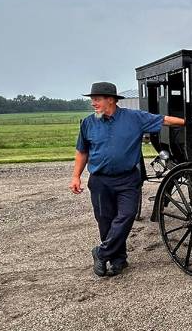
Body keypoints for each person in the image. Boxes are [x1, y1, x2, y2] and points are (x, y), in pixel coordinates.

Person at [69, 81, 184, 277]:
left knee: (127, 215)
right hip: (100, 180)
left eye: (96, 99)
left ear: (111, 100)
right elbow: (82, 152)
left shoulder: (134, 118)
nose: (92, 103)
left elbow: (164, 120)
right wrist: (75, 176)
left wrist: (190, 121)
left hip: (127, 179)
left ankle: (101, 252)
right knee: (105, 221)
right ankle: (118, 260)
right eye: (92, 100)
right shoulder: (88, 123)